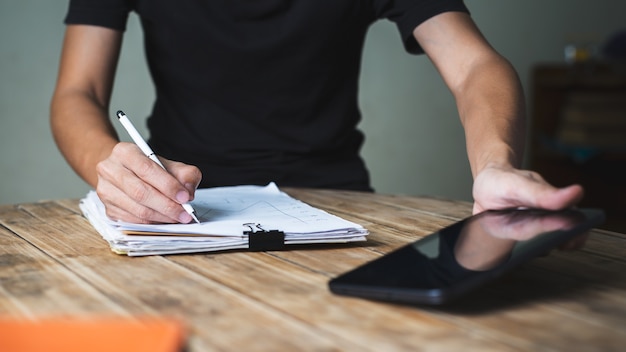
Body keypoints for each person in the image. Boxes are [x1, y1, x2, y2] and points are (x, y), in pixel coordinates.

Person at [51, 0, 583, 224]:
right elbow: (79, 92)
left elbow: (474, 66)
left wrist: (495, 163)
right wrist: (115, 169)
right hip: (183, 207)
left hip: (337, 208)